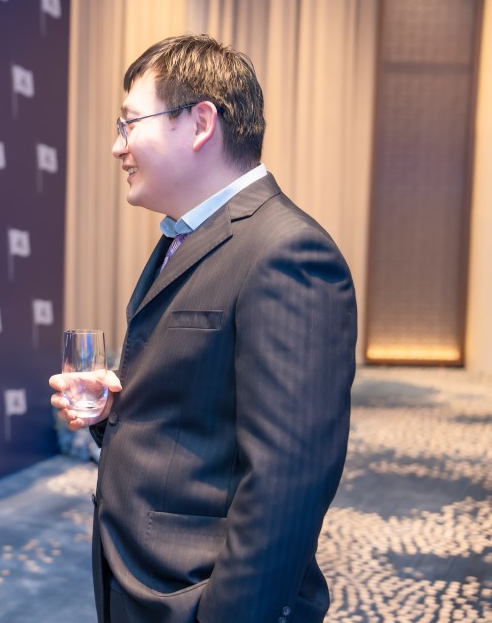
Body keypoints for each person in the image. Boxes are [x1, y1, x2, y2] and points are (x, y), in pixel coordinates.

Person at [50, 35, 357, 622]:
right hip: (143, 575)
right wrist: (115, 411)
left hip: (199, 592)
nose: (117, 147)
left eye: (129, 123)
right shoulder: (186, 236)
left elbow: (287, 483)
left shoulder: (288, 252)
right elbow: (203, 408)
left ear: (200, 123)